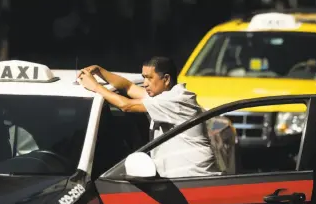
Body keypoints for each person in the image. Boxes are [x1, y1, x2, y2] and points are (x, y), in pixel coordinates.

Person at [77, 56, 220, 178]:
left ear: (166, 79)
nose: (145, 83)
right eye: (144, 77)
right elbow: (128, 87)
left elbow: (126, 105)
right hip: (184, 183)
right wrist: (100, 71)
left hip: (197, 182)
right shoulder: (164, 95)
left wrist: (95, 87)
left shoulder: (176, 101)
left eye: (149, 78)